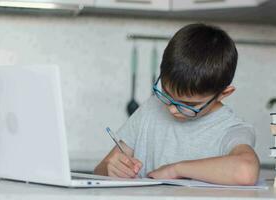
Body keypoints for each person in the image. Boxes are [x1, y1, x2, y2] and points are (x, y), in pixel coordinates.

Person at [94, 23, 260, 185]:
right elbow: (100, 170)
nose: (172, 109)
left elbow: (246, 171)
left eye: (188, 104)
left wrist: (176, 170)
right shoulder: (150, 109)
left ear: (223, 94)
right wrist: (111, 168)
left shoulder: (231, 130)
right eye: (166, 94)